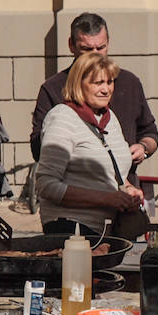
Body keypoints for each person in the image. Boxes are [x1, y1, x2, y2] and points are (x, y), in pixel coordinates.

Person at [29, 13, 158, 177]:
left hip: (125, 187)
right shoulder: (53, 89)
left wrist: (143, 148)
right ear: (71, 45)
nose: (95, 55)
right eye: (87, 49)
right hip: (77, 189)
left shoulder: (129, 82)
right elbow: (39, 150)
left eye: (101, 47)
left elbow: (150, 132)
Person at [34, 51, 145, 239]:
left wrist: (128, 189)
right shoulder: (63, 117)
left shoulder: (109, 118)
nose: (106, 89)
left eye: (109, 82)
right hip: (71, 229)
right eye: (97, 83)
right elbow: (46, 185)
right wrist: (107, 198)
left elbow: (111, 170)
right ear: (78, 84)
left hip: (108, 231)